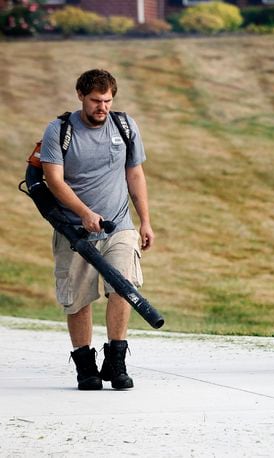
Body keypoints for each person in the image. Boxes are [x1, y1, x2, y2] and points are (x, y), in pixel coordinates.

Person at [39, 69, 153, 390]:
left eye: (107, 100)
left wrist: (144, 220)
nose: (102, 107)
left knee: (124, 286)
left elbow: (135, 175)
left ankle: (116, 362)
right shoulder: (59, 130)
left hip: (120, 227)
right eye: (95, 101)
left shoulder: (125, 126)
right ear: (80, 96)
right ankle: (85, 365)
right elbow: (54, 181)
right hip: (75, 233)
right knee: (78, 299)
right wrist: (84, 213)